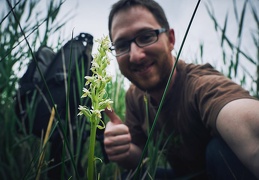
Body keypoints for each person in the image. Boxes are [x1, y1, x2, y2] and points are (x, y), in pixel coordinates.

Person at [103, 0, 259, 179]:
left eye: (146, 37)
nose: (135, 56)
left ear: (170, 39)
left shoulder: (200, 84)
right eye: (122, 45)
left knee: (218, 150)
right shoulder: (134, 96)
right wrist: (122, 149)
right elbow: (140, 158)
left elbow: (246, 122)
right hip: (181, 175)